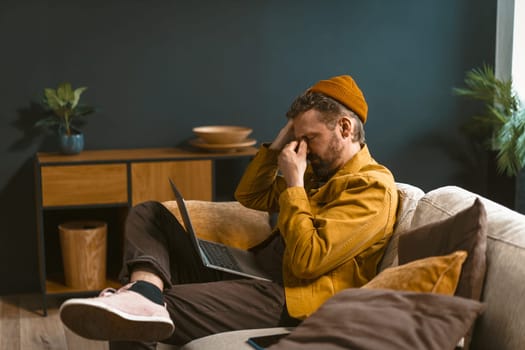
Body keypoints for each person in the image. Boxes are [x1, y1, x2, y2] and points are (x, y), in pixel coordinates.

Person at [59, 75, 399, 349]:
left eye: (311, 137)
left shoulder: (370, 189)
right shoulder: (319, 174)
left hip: (292, 298)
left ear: (344, 128)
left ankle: (145, 304)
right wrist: (280, 143)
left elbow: (308, 261)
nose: (304, 149)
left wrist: (294, 183)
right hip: (256, 271)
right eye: (300, 139)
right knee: (149, 215)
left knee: (160, 310)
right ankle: (143, 292)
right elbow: (250, 194)